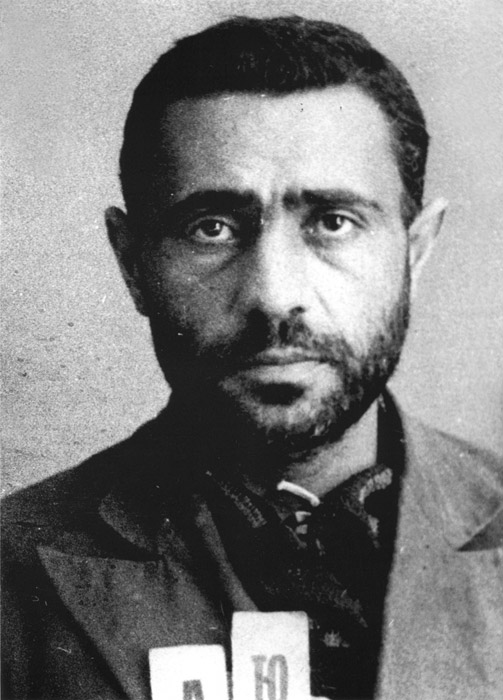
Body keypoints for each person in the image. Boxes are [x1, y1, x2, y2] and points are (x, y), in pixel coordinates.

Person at [2, 15, 502, 700]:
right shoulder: (13, 568)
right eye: (211, 228)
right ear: (132, 263)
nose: (273, 295)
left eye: (332, 222)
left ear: (414, 251)